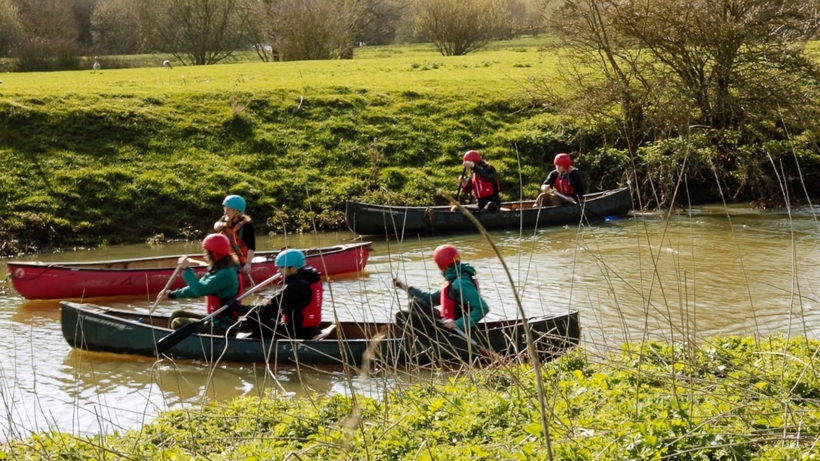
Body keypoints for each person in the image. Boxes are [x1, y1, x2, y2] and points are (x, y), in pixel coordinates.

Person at [393, 244, 490, 337]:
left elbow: (482, 308)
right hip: (447, 323)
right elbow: (428, 299)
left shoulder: (461, 284)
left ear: (441, 265)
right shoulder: (455, 279)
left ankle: (407, 346)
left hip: (455, 331)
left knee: (400, 316)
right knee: (415, 304)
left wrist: (457, 324)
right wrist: (404, 287)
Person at [159, 234, 242, 334]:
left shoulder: (226, 274)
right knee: (176, 314)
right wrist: (172, 294)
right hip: (214, 318)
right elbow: (197, 288)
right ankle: (170, 342)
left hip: (223, 326)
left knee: (177, 323)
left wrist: (187, 269)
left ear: (214, 254)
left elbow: (199, 290)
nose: (204, 256)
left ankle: (181, 347)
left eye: (206, 253)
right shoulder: (220, 268)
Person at [245, 249, 323, 340]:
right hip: (311, 329)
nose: (279, 271)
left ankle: (262, 346)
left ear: (293, 269)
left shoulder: (296, 287)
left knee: (253, 316)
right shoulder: (311, 279)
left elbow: (271, 309)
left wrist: (241, 308)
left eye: (282, 267)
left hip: (298, 333)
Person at [214, 194, 256, 277]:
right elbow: (216, 226)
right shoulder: (226, 221)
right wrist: (218, 225)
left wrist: (248, 264)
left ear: (237, 211)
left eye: (228, 210)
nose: (225, 212)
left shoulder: (247, 226)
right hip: (228, 259)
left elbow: (251, 247)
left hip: (240, 262)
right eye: (225, 209)